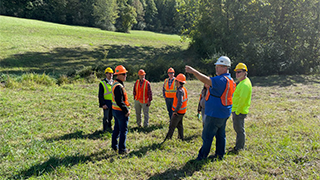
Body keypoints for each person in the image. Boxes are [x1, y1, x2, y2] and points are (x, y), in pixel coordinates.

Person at [185, 56, 236, 161]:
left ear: (225, 67)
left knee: (207, 136)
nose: (216, 69)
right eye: (216, 66)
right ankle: (219, 154)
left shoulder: (221, 79)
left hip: (215, 114)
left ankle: (202, 157)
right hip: (224, 113)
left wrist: (194, 71)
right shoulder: (230, 80)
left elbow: (206, 80)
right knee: (220, 135)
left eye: (218, 66)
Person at [230, 63, 252, 153]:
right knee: (238, 129)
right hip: (237, 110)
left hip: (239, 111)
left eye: (239, 72)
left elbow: (242, 100)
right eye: (236, 72)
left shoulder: (245, 84)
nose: (237, 74)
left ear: (244, 72)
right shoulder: (242, 82)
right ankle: (239, 146)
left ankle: (239, 148)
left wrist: (237, 112)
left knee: (239, 130)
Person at [111, 65, 131, 154]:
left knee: (117, 129)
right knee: (123, 131)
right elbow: (120, 101)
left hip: (115, 110)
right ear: (118, 75)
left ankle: (114, 146)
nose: (125, 75)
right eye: (123, 74)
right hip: (120, 111)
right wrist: (126, 111)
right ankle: (122, 149)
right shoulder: (118, 86)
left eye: (125, 74)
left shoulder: (115, 83)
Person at [163, 73, 188, 141]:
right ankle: (181, 138)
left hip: (178, 112)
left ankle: (167, 139)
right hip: (182, 111)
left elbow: (180, 102)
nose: (175, 82)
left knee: (172, 126)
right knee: (179, 125)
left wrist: (175, 111)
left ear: (179, 82)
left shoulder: (179, 91)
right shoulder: (184, 89)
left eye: (176, 81)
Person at [98, 67, 114, 132]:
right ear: (106, 74)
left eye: (112, 73)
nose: (111, 75)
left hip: (113, 102)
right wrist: (103, 104)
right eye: (109, 73)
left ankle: (109, 128)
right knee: (106, 117)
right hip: (106, 102)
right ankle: (105, 129)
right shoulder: (102, 83)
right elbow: (100, 95)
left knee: (111, 117)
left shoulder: (114, 82)